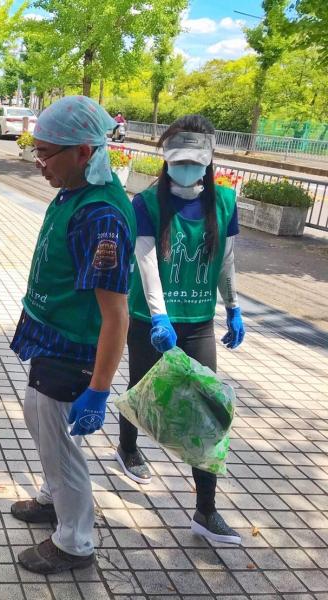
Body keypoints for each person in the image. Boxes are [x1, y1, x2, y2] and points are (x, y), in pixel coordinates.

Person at [8, 96, 136, 574]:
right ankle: (51, 498)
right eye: (37, 151)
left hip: (73, 348)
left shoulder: (100, 215)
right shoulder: (74, 191)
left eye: (47, 153)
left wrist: (99, 390)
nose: (39, 163)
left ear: (84, 151)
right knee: (42, 425)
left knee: (58, 442)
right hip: (52, 337)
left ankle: (75, 541)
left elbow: (116, 314)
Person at [116, 114, 244, 545]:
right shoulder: (146, 204)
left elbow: (226, 261)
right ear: (166, 160)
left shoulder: (224, 202)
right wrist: (158, 316)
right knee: (142, 385)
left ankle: (205, 511)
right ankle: (127, 447)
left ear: (208, 161)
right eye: (178, 161)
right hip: (150, 318)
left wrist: (235, 307)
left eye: (195, 161)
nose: (186, 168)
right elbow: (146, 261)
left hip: (198, 322)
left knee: (209, 409)